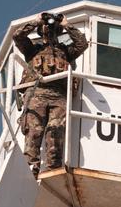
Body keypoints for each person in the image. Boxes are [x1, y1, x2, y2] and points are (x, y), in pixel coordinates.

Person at [13, 12, 88, 177]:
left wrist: (66, 25)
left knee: (55, 132)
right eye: (46, 27)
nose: (49, 30)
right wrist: (36, 21)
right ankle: (30, 170)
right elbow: (17, 36)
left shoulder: (65, 51)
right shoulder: (33, 49)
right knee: (34, 131)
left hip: (59, 96)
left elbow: (82, 44)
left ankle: (53, 169)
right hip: (36, 94)